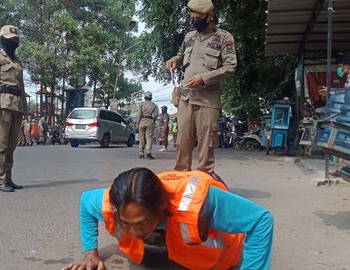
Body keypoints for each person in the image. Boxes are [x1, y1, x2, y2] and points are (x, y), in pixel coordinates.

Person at [63, 167, 273, 270]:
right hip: (164, 244)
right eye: (127, 224)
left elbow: (261, 220)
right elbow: (85, 201)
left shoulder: (202, 202)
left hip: (215, 258)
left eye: (142, 223)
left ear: (162, 206)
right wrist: (90, 253)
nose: (134, 232)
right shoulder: (114, 200)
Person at [165, 0, 237, 174]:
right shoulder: (189, 36)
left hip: (207, 101)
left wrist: (204, 78)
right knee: (182, 142)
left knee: (206, 145)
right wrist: (174, 59)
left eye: (198, 18)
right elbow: (181, 55)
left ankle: (203, 183)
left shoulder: (224, 37)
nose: (194, 21)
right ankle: (181, 181)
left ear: (210, 16)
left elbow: (230, 67)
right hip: (186, 98)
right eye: (192, 18)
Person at [0, 25, 28, 192]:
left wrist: (24, 109)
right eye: (11, 39)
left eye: (16, 40)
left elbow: (22, 86)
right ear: (3, 39)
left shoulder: (17, 61)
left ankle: (8, 178)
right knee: (1, 144)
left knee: (12, 144)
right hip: (3, 104)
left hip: (16, 104)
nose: (14, 42)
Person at [318, 52, 350, 177]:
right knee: (343, 138)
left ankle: (344, 169)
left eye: (340, 66)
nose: (339, 70)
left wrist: (330, 91)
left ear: (346, 66)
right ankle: (342, 169)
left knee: (344, 137)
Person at [137, 91, 158, 159]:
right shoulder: (154, 105)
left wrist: (138, 123)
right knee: (149, 138)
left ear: (144, 97)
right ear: (151, 97)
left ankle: (141, 153)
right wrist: (153, 121)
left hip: (142, 121)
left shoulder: (141, 104)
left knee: (141, 138)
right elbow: (155, 115)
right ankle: (148, 152)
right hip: (150, 121)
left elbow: (139, 115)